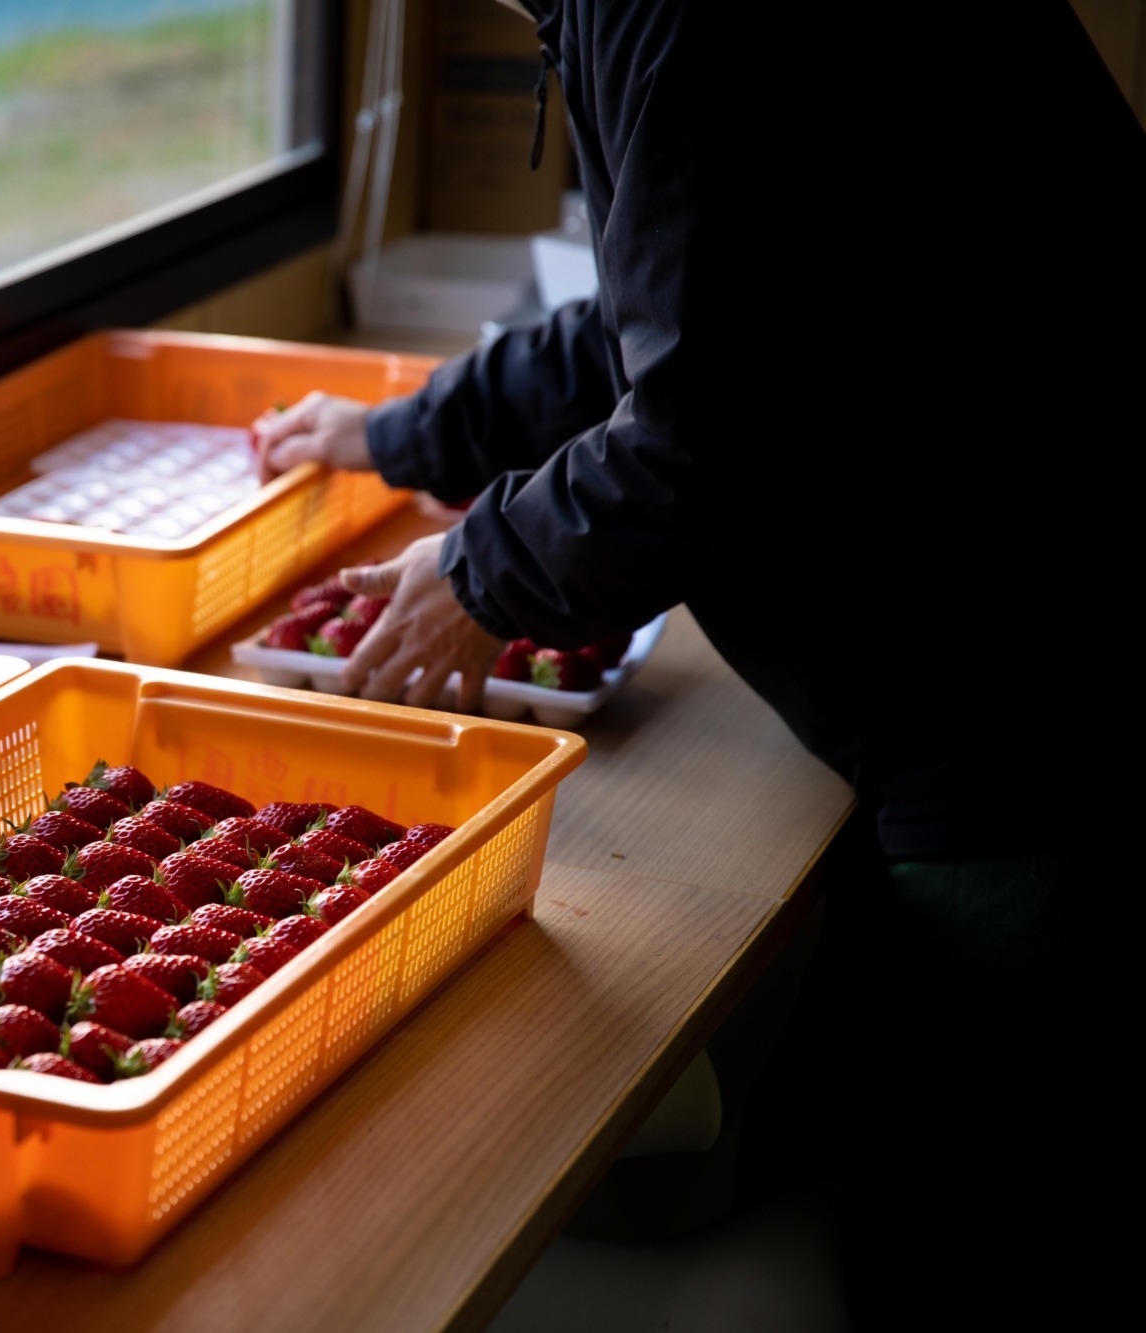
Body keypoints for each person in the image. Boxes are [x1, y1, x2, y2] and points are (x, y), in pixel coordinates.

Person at [253, 0, 1139, 1324]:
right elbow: (666, 314)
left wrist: (480, 575)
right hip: (1012, 671)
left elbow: (709, 434)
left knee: (976, 1237)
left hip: (1031, 727)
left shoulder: (686, 17)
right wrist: (406, 435)